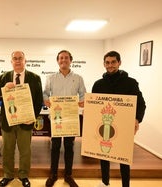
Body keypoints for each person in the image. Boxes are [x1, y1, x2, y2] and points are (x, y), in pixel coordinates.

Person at [92, 51, 146, 187]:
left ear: (119, 63)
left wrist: (137, 119)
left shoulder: (131, 83)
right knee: (104, 157)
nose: (110, 65)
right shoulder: (98, 84)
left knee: (124, 159)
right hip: (104, 128)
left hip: (124, 127)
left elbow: (141, 104)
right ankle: (105, 183)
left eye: (113, 62)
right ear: (104, 64)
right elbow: (94, 106)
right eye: (107, 63)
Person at [0, 51, 43, 187]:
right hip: (8, 121)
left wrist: (32, 117)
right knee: (8, 149)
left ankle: (23, 175)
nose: (18, 61)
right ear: (11, 61)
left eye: (20, 58)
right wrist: (4, 89)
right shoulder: (3, 77)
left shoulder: (35, 78)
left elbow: (39, 100)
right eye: (15, 58)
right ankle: (7, 175)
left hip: (26, 121)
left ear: (25, 60)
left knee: (25, 150)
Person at [43, 50, 86, 187]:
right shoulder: (51, 78)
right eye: (61, 58)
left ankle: (68, 175)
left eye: (66, 58)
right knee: (55, 146)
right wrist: (46, 100)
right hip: (56, 118)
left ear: (70, 60)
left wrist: (82, 101)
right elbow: (45, 93)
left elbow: (83, 94)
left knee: (69, 147)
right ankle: (53, 174)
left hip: (71, 117)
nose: (63, 60)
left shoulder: (78, 78)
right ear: (57, 61)